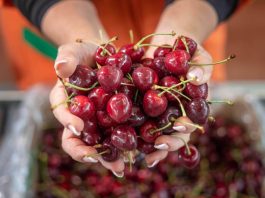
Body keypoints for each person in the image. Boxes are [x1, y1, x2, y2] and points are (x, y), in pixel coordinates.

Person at [0, 0, 249, 177]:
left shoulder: (171, 66)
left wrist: (188, 20)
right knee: (67, 96)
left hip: (187, 20)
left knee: (193, 81)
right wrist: (76, 35)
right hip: (62, 26)